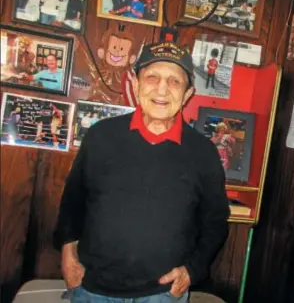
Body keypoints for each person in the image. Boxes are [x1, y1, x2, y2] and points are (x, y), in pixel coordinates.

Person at [53, 41, 230, 303]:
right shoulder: (101, 136)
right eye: (152, 77)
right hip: (93, 289)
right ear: (135, 84)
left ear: (188, 93)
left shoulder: (203, 152)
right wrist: (68, 258)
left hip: (163, 295)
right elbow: (72, 203)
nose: (161, 89)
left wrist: (192, 271)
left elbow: (215, 221)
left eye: (174, 82)